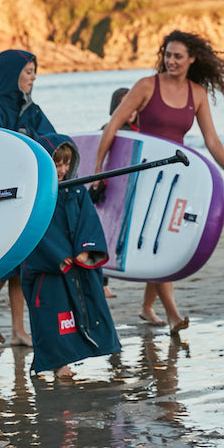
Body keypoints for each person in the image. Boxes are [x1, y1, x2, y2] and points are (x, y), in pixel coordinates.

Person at [94, 30, 224, 333]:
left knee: (162, 241)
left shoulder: (197, 94)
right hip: (145, 173)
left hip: (177, 177)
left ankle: (148, 307)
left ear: (191, 59)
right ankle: (173, 314)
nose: (171, 61)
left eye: (178, 56)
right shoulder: (147, 86)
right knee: (157, 242)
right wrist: (99, 171)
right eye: (167, 55)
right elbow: (113, 127)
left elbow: (210, 139)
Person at [0, 49, 57, 346]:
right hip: (0, 197)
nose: (34, 77)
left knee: (24, 261)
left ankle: (19, 330)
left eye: (35, 71)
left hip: (27, 194)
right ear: (12, 74)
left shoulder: (31, 109)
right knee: (8, 260)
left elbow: (51, 138)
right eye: (28, 71)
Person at [21, 134, 121, 379]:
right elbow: (35, 231)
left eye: (67, 164)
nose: (63, 170)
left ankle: (100, 350)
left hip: (79, 263)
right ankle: (58, 364)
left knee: (88, 309)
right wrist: (58, 255)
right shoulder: (36, 195)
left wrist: (86, 249)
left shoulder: (77, 190)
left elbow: (89, 221)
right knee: (53, 317)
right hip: (50, 268)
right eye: (57, 164)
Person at [97, 87, 139, 299]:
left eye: (133, 104)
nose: (130, 110)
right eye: (125, 104)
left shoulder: (140, 130)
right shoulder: (109, 129)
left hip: (131, 190)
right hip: (111, 189)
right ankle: (102, 282)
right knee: (106, 235)